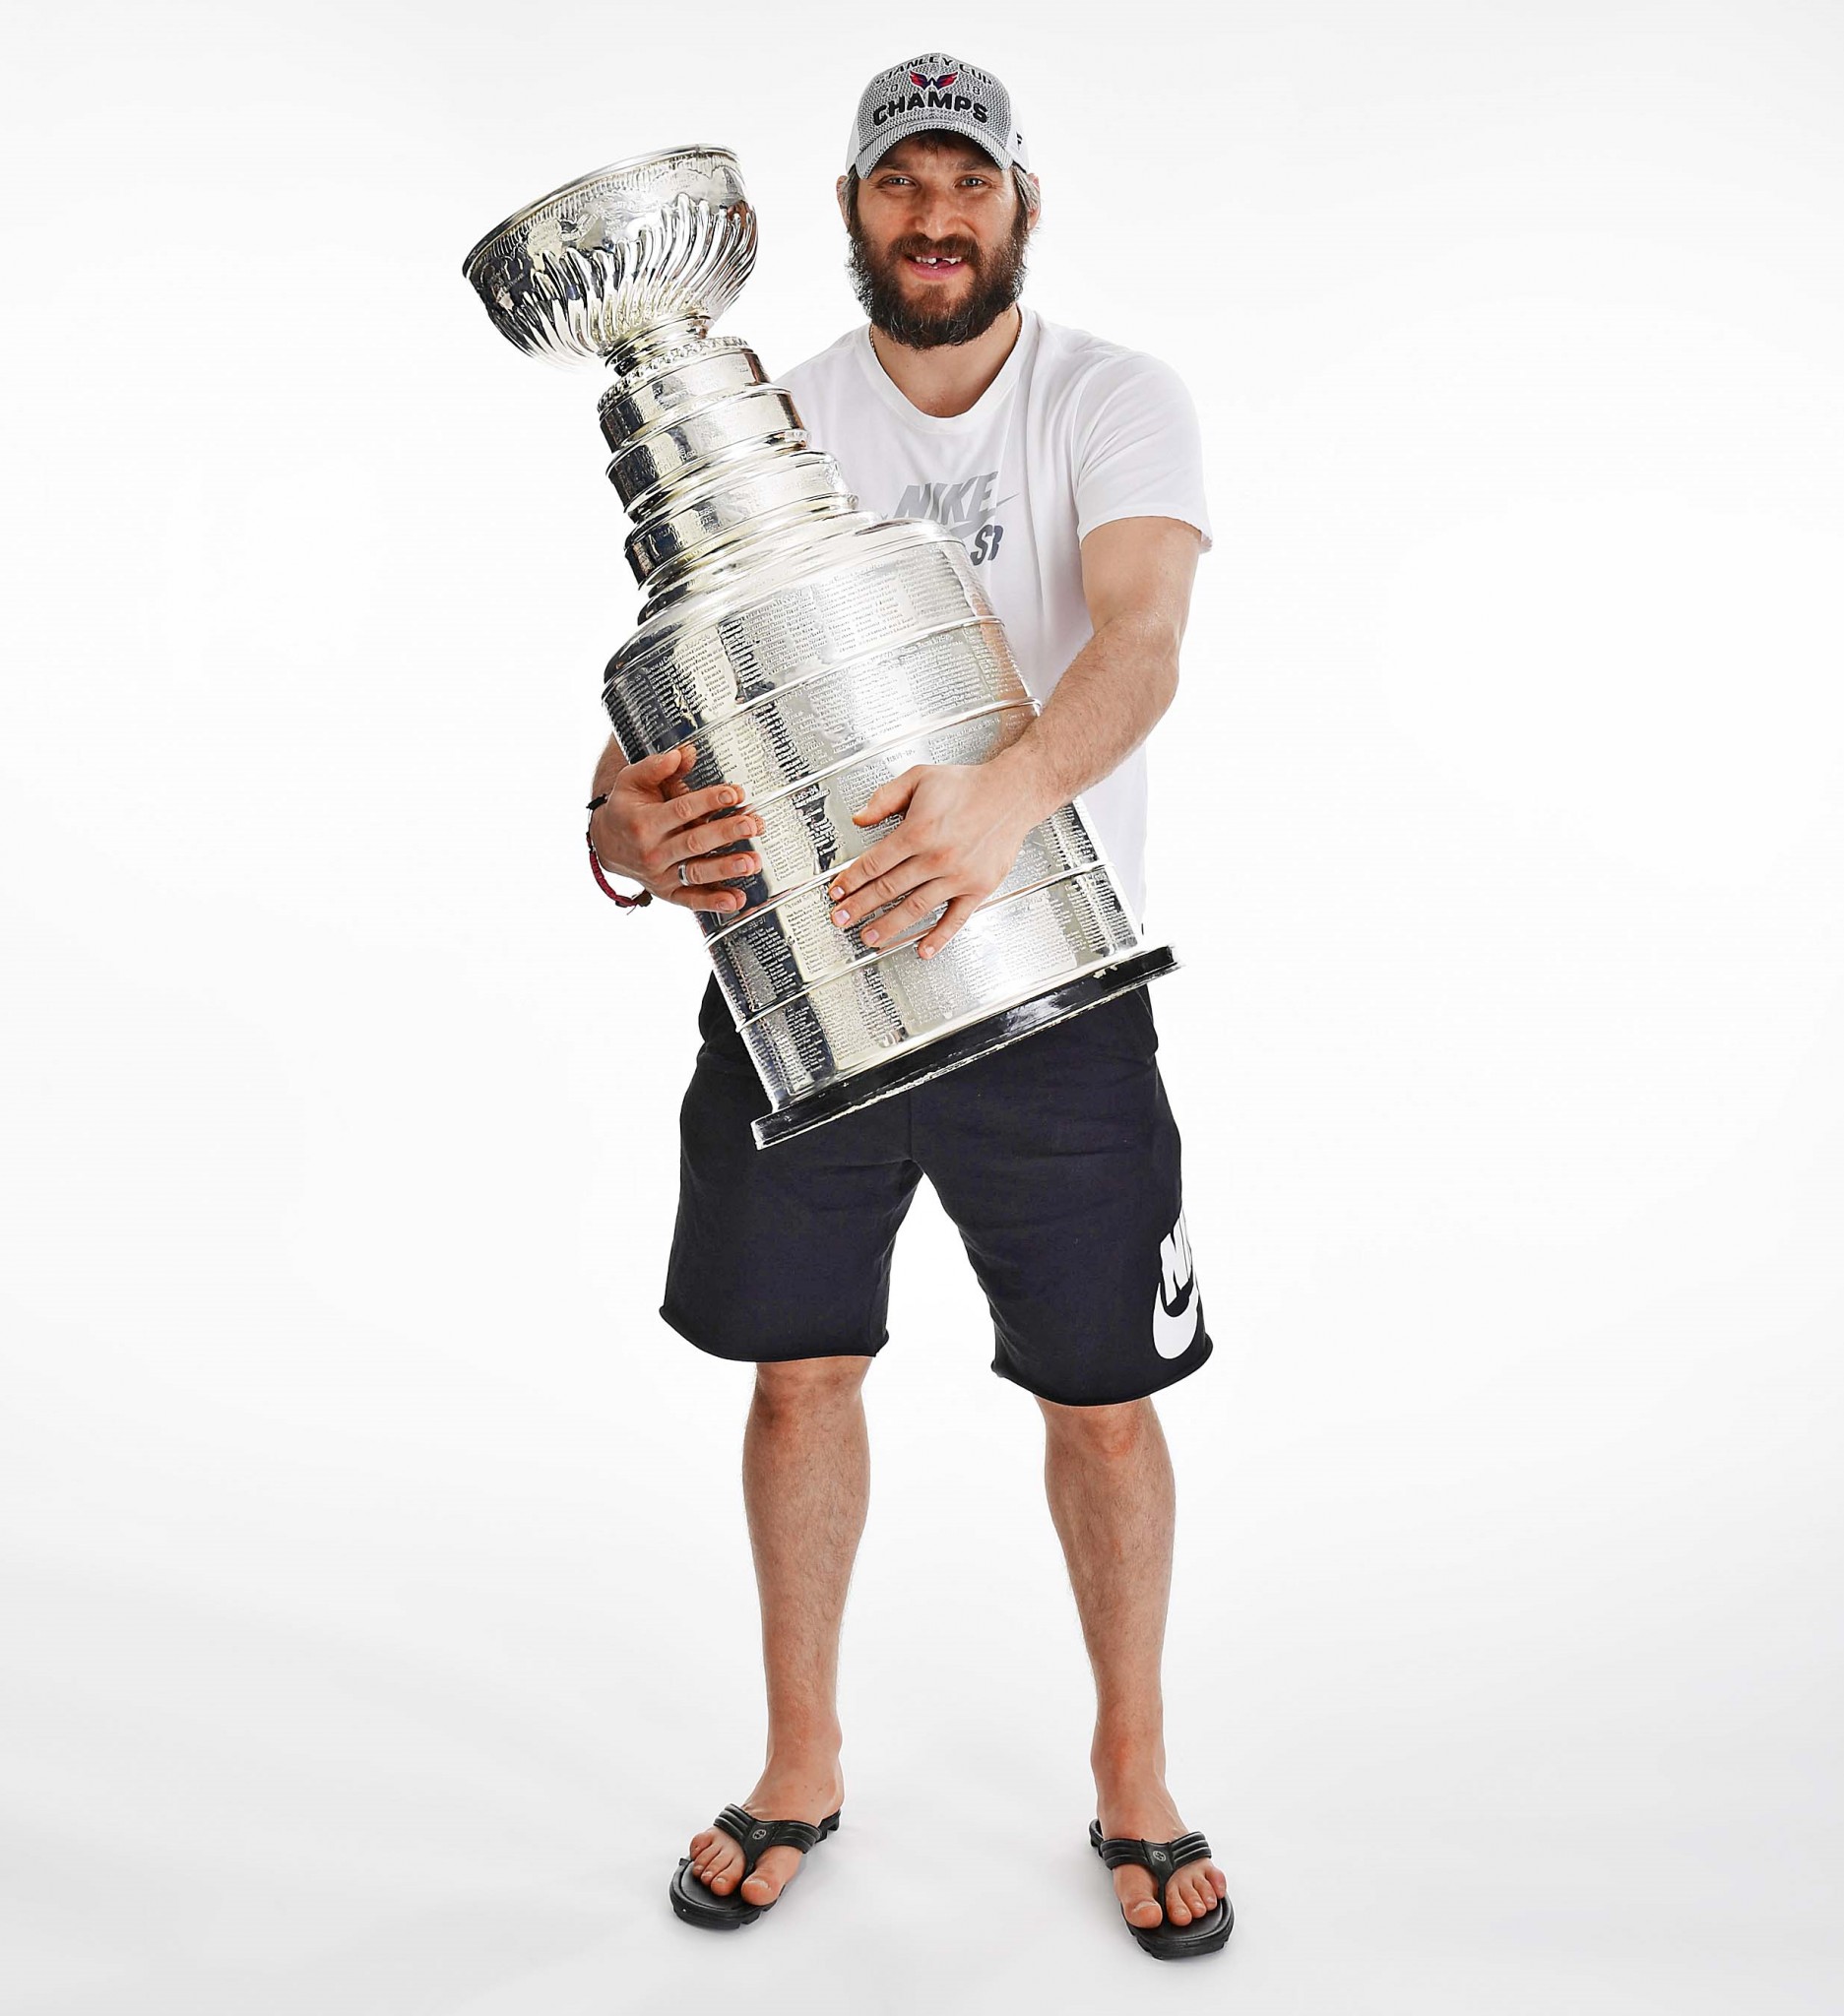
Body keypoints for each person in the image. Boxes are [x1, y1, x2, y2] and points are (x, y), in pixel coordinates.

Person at [587, 53, 1232, 1959]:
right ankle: (799, 1763)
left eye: (966, 182)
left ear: (1019, 202)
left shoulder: (1111, 399)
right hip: (802, 1000)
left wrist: (1001, 802)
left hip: (1052, 994)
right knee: (800, 1379)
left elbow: (1141, 637)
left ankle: (1133, 1773)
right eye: (899, 184)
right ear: (851, 211)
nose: (934, 217)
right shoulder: (770, 410)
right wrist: (619, 827)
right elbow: (658, 708)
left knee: (1102, 1408)